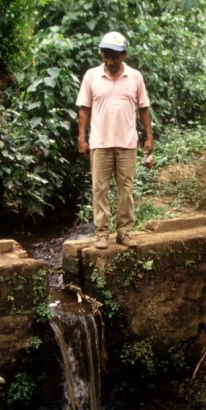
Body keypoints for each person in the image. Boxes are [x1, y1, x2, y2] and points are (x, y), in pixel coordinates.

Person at [76, 31, 154, 249]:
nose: (110, 60)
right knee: (99, 189)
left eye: (114, 56)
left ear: (124, 55)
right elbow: (84, 108)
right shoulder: (91, 76)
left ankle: (124, 231)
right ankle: (102, 233)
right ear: (101, 54)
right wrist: (82, 137)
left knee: (125, 189)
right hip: (100, 143)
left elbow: (144, 108)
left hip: (127, 143)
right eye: (106, 55)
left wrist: (149, 136)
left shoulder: (135, 76)